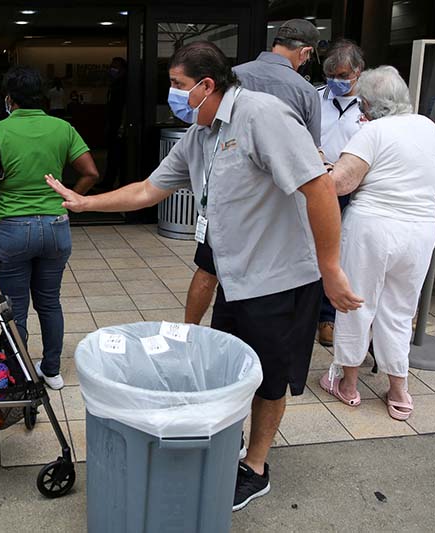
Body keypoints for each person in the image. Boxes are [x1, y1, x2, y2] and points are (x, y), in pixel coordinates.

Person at [45, 41, 362, 510]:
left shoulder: (262, 116)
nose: (172, 94)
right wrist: (87, 203)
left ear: (206, 84)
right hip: (236, 278)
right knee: (231, 370)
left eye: (177, 85)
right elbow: (149, 190)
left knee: (270, 378)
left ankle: (256, 466)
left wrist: (331, 268)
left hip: (280, 279)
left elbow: (317, 186)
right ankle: (232, 445)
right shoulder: (201, 133)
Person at [320, 66, 435, 420]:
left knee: (356, 303)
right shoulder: (428, 126)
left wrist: (326, 168)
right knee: (399, 310)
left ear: (369, 103)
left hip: (373, 227)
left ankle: (348, 385)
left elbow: (341, 184)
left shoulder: (372, 132)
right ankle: (398, 391)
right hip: (420, 230)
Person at [184, 19, 323, 326]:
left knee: (209, 272)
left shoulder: (234, 76)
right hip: (273, 213)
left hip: (222, 199)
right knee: (265, 290)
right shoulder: (304, 91)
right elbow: (312, 160)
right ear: (305, 54)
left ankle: (190, 334)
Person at [0, 66, 100, 390]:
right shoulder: (62, 128)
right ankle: (53, 370)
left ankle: (20, 371)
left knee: (14, 306)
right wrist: (68, 201)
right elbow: (90, 172)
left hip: (11, 228)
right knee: (49, 300)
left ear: (9, 98)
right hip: (56, 227)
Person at [316, 39, 366, 347]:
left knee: (339, 254)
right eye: (330, 75)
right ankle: (306, 311)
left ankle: (328, 318)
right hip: (316, 183)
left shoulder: (372, 106)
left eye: (343, 75)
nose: (336, 81)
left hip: (352, 189)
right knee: (309, 251)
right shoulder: (314, 98)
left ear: (358, 71)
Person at [101, 57, 128, 190]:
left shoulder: (124, 85)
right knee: (112, 155)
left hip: (120, 126)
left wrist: (122, 126)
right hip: (113, 124)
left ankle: (116, 183)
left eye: (114, 67)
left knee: (118, 156)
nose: (111, 70)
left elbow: (125, 107)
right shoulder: (114, 84)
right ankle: (108, 182)